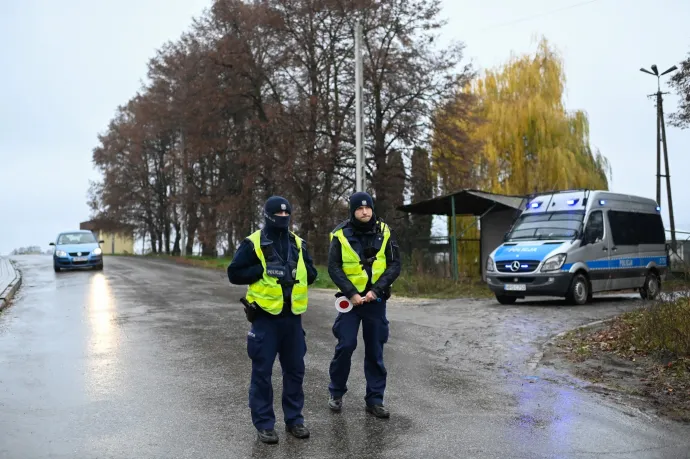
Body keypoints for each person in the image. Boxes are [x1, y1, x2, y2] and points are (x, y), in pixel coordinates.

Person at [227, 196, 318, 444]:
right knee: (262, 374)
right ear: (267, 216)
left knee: (295, 372)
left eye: (286, 214)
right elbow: (233, 273)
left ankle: (295, 420)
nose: (282, 218)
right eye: (278, 215)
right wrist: (259, 271)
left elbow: (311, 273)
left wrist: (301, 274)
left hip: (293, 320)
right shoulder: (253, 243)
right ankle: (265, 424)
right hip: (265, 320)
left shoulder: (298, 243)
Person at [326, 191, 401, 418]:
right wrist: (351, 293)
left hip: (375, 300)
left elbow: (394, 265)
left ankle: (375, 400)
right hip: (350, 302)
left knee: (375, 351)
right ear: (353, 210)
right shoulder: (339, 234)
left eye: (368, 207)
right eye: (360, 208)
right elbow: (334, 267)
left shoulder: (385, 232)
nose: (365, 211)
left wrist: (375, 291)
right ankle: (336, 393)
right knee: (346, 346)